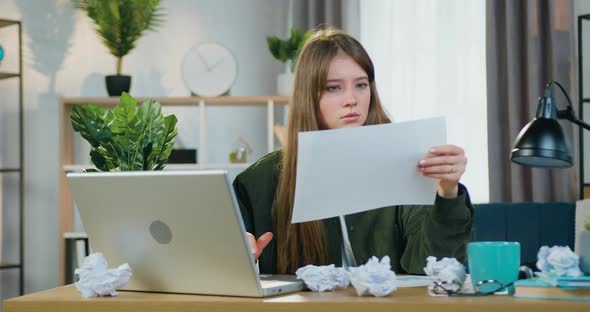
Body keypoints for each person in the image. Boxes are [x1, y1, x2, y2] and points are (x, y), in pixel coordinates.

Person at [232, 27, 472, 275]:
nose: (352, 99)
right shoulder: (257, 181)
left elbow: (431, 265)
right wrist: (241, 258)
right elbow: (226, 271)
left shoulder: (406, 161)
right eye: (334, 87)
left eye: (361, 85)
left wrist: (447, 190)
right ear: (308, 97)